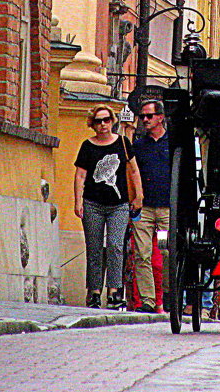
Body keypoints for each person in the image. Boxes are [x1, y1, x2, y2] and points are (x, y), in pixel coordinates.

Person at [74, 106, 141, 310]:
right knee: (94, 248)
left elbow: (134, 170)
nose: (102, 125)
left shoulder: (123, 142)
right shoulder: (87, 146)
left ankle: (114, 291)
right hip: (93, 203)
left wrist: (139, 195)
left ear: (112, 121)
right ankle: (94, 292)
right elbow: (80, 175)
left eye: (106, 120)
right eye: (97, 121)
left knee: (115, 246)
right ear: (92, 124)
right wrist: (78, 201)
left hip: (119, 205)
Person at [130, 98, 170, 314]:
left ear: (161, 117)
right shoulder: (138, 145)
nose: (144, 119)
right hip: (143, 209)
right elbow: (131, 174)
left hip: (166, 209)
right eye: (142, 116)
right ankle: (147, 300)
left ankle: (167, 294)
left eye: (149, 116)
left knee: (166, 253)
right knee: (142, 254)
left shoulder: (172, 143)